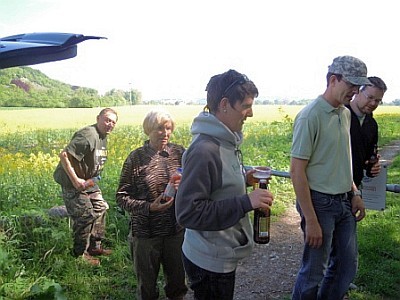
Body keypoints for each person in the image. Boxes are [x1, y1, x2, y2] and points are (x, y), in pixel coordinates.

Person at [175, 69, 274, 300]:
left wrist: (243, 179)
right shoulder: (204, 150)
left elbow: (216, 187)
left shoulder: (226, 140)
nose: (250, 114)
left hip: (221, 253)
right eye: (246, 106)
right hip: (209, 260)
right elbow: (188, 213)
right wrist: (246, 202)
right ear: (225, 104)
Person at [290, 56, 369, 300]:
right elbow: (296, 171)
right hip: (319, 203)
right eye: (352, 85)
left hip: (344, 201)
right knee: (314, 272)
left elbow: (342, 161)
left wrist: (354, 192)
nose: (355, 92)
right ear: (333, 80)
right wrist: (311, 220)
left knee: (347, 267)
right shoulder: (310, 116)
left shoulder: (344, 114)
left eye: (359, 87)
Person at [116, 109, 188, 300]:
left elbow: (197, 183)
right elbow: (121, 197)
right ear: (148, 130)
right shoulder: (136, 158)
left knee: (178, 285)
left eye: (168, 128)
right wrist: (149, 207)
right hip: (145, 234)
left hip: (176, 230)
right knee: (147, 288)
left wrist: (185, 184)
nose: (165, 133)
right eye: (159, 128)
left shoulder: (179, 153)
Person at [53, 108, 118, 266]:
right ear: (98, 118)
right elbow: (64, 155)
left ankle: (95, 247)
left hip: (89, 181)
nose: (110, 124)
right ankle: (79, 254)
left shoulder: (102, 136)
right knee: (85, 215)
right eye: (107, 120)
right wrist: (76, 181)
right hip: (72, 182)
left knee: (101, 207)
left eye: (113, 122)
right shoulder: (88, 134)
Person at [347, 76, 387, 188]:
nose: (373, 103)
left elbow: (369, 156)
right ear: (358, 91)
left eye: (378, 101)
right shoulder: (339, 115)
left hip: (355, 187)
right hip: (331, 187)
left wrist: (373, 166)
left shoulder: (372, 124)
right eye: (370, 97)